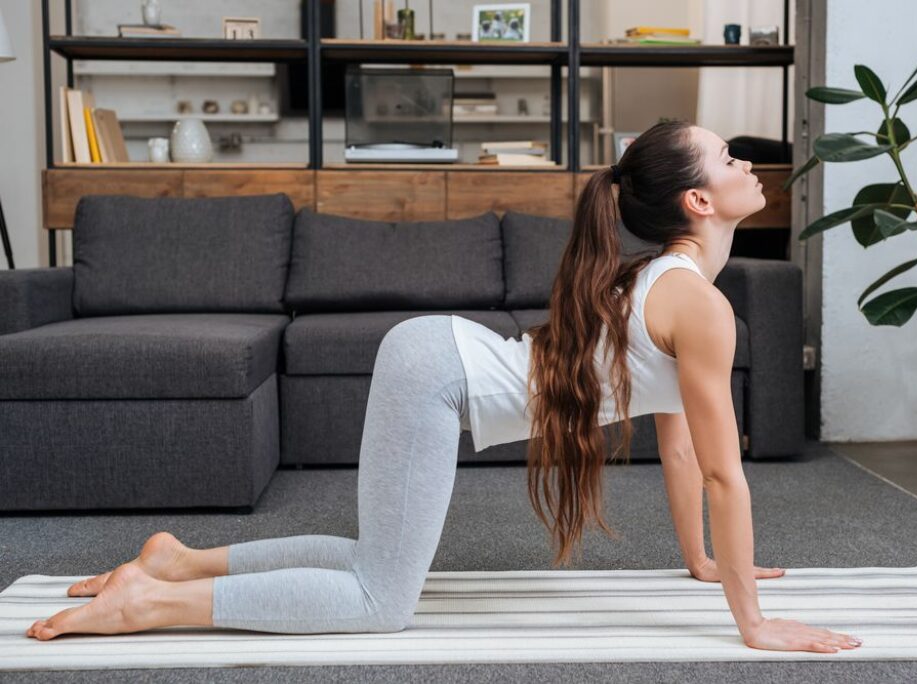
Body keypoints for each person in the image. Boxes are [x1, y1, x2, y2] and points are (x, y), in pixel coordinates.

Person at [25, 121, 862, 655]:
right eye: (728, 156)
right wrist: (754, 626)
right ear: (699, 198)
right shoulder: (697, 302)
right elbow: (725, 473)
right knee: (380, 602)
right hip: (437, 377)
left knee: (371, 562)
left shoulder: (677, 286)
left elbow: (681, 444)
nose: (746, 162)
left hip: (435, 362)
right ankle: (147, 604)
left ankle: (177, 561)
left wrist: (703, 563)